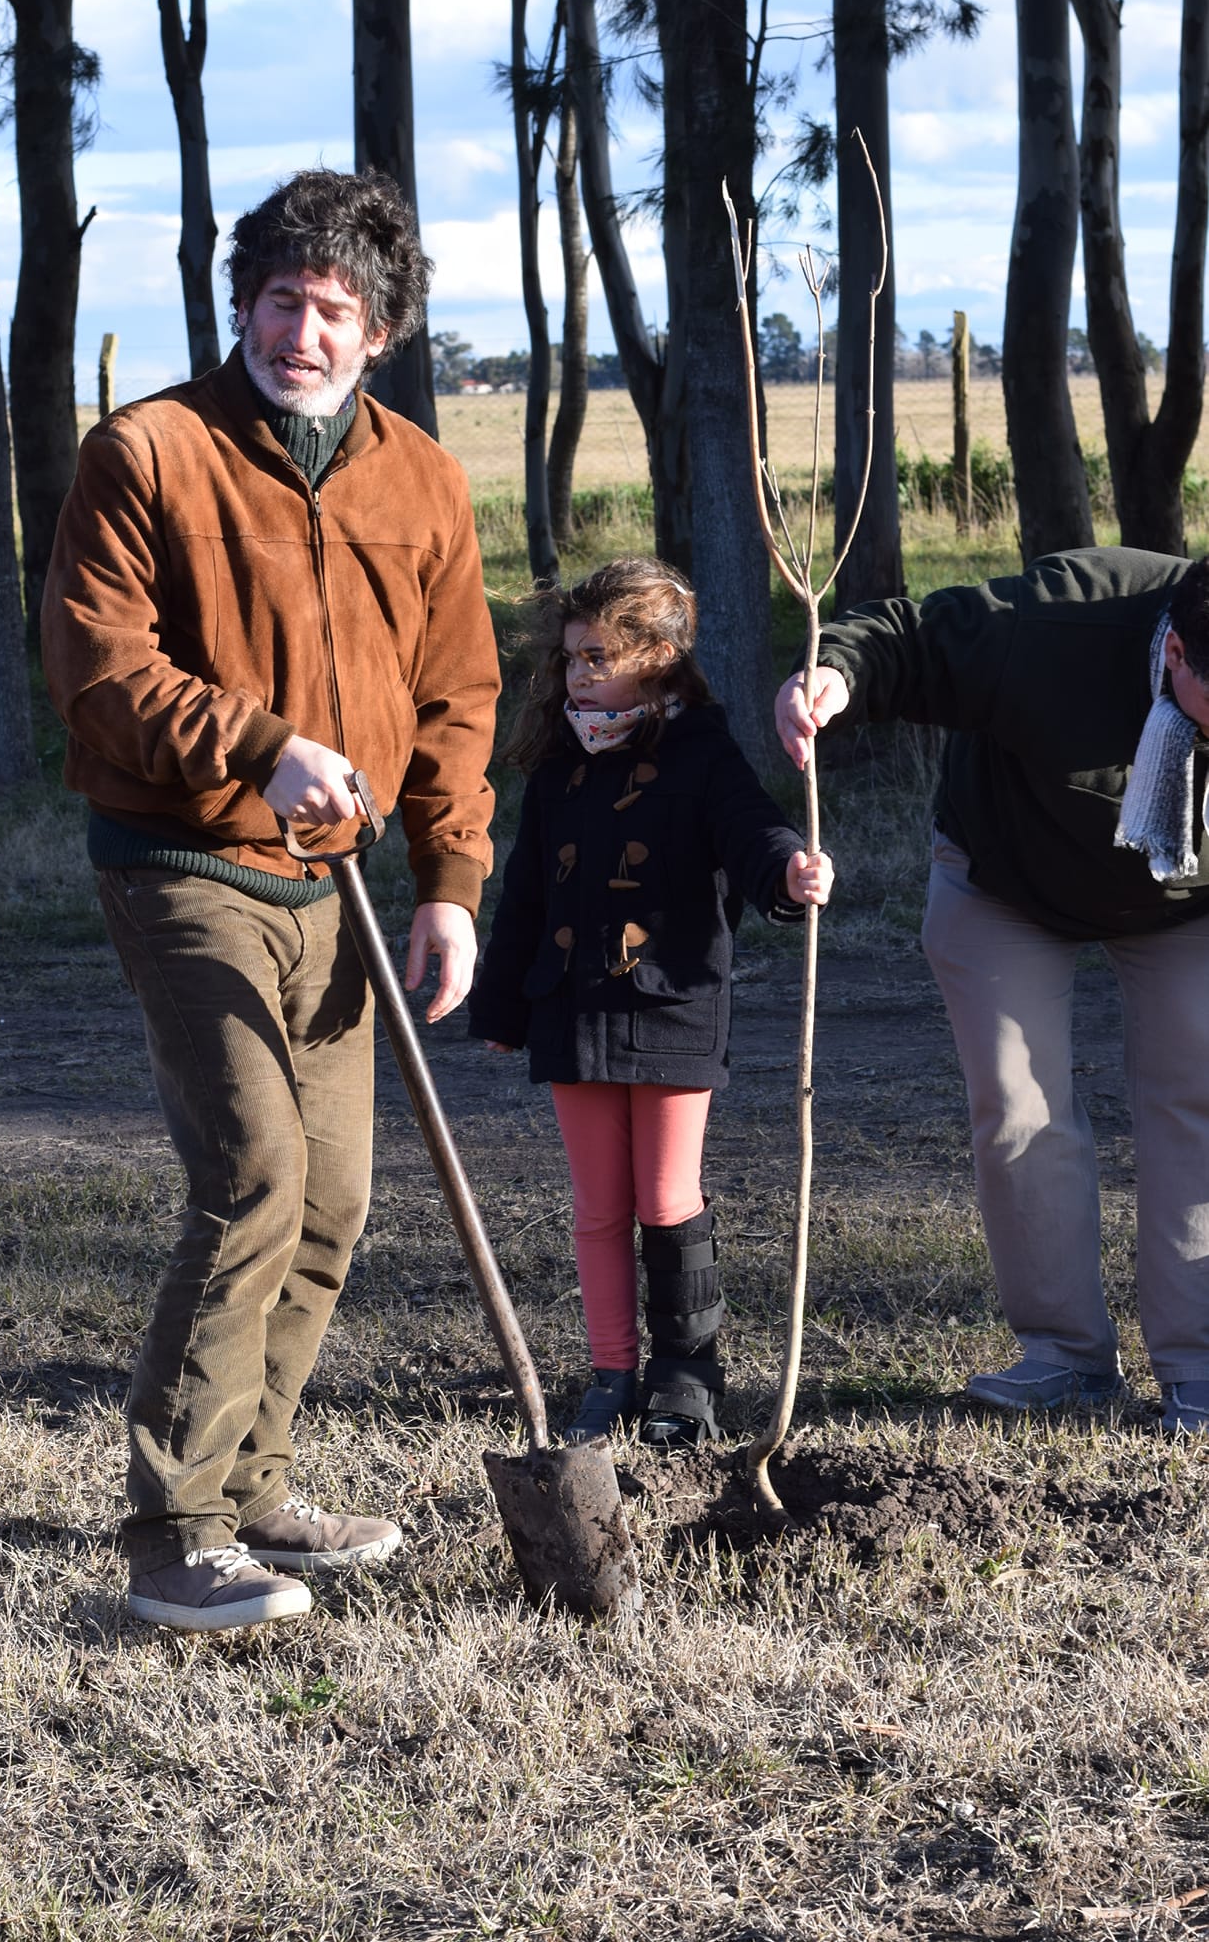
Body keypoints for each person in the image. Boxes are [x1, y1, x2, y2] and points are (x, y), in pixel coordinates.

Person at [42, 169, 500, 1631]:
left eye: (338, 310)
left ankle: (253, 1487)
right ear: (244, 300)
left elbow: (457, 698)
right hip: (181, 860)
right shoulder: (150, 451)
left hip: (339, 886)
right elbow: (99, 667)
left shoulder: (423, 481)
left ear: (383, 334)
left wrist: (449, 881)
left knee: (334, 1196)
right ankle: (174, 1536)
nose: (305, 331)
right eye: (285, 298)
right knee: (253, 1173)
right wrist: (261, 746)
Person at [775, 546, 1209, 1436]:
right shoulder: (1052, 622)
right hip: (1005, 874)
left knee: (1196, 1098)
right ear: (1174, 652)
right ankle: (1065, 1359)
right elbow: (904, 640)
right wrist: (831, 675)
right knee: (1018, 1108)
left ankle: (1199, 1363)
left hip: (1188, 901)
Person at [469, 558, 832, 1448]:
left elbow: (752, 829)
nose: (578, 674)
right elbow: (524, 893)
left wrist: (788, 872)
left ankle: (685, 1376)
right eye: (570, 658)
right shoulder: (559, 765)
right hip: (569, 1008)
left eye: (598, 656)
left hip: (671, 1006)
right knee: (597, 1207)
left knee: (666, 1199)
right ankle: (611, 1375)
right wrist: (502, 1009)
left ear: (659, 656)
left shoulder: (701, 750)